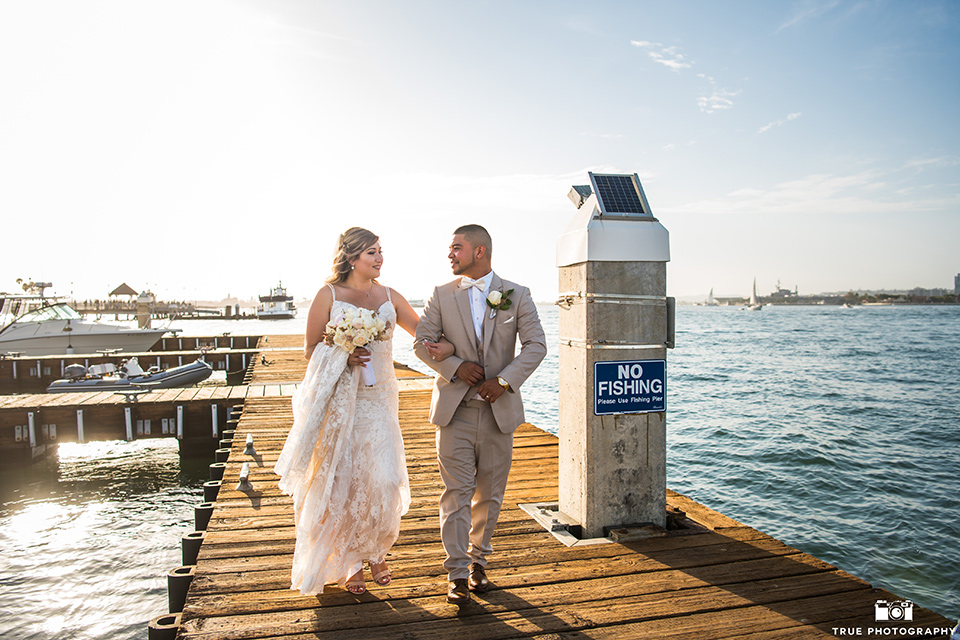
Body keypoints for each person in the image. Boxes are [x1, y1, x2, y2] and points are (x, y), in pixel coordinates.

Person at [274, 227, 452, 596]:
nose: (380, 258)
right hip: (342, 399)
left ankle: (376, 549)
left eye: (381, 251)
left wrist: (453, 346)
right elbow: (310, 349)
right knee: (343, 478)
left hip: (381, 397)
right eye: (372, 252)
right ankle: (352, 561)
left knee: (382, 478)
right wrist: (344, 353)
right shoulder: (329, 295)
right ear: (352, 257)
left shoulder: (390, 296)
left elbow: (422, 334)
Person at [414, 224, 546, 605]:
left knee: (489, 495)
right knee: (456, 494)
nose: (450, 255)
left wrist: (504, 381)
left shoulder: (516, 295)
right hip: (454, 412)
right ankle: (455, 572)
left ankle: (477, 563)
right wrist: (455, 366)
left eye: (457, 248)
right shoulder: (441, 294)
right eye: (450, 248)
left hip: (497, 413)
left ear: (480, 251)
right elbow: (421, 343)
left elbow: (536, 346)